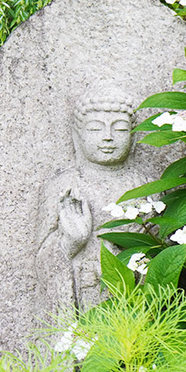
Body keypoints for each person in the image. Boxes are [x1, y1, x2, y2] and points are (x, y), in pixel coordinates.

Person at [35, 85, 138, 316]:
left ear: (134, 135)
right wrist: (72, 242)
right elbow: (42, 264)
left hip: (133, 301)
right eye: (95, 128)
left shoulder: (144, 187)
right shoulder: (64, 186)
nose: (108, 137)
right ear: (77, 134)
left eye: (120, 129)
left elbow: (164, 255)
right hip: (84, 298)